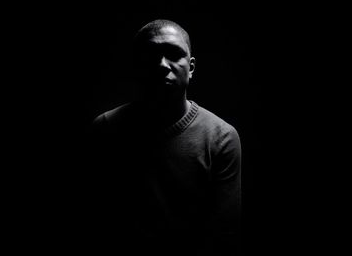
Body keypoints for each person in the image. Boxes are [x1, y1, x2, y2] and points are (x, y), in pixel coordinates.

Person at [89, 19, 241, 255]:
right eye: (150, 55)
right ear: (135, 67)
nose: (161, 64)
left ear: (191, 67)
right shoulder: (105, 129)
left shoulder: (221, 138)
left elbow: (223, 234)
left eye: (173, 54)